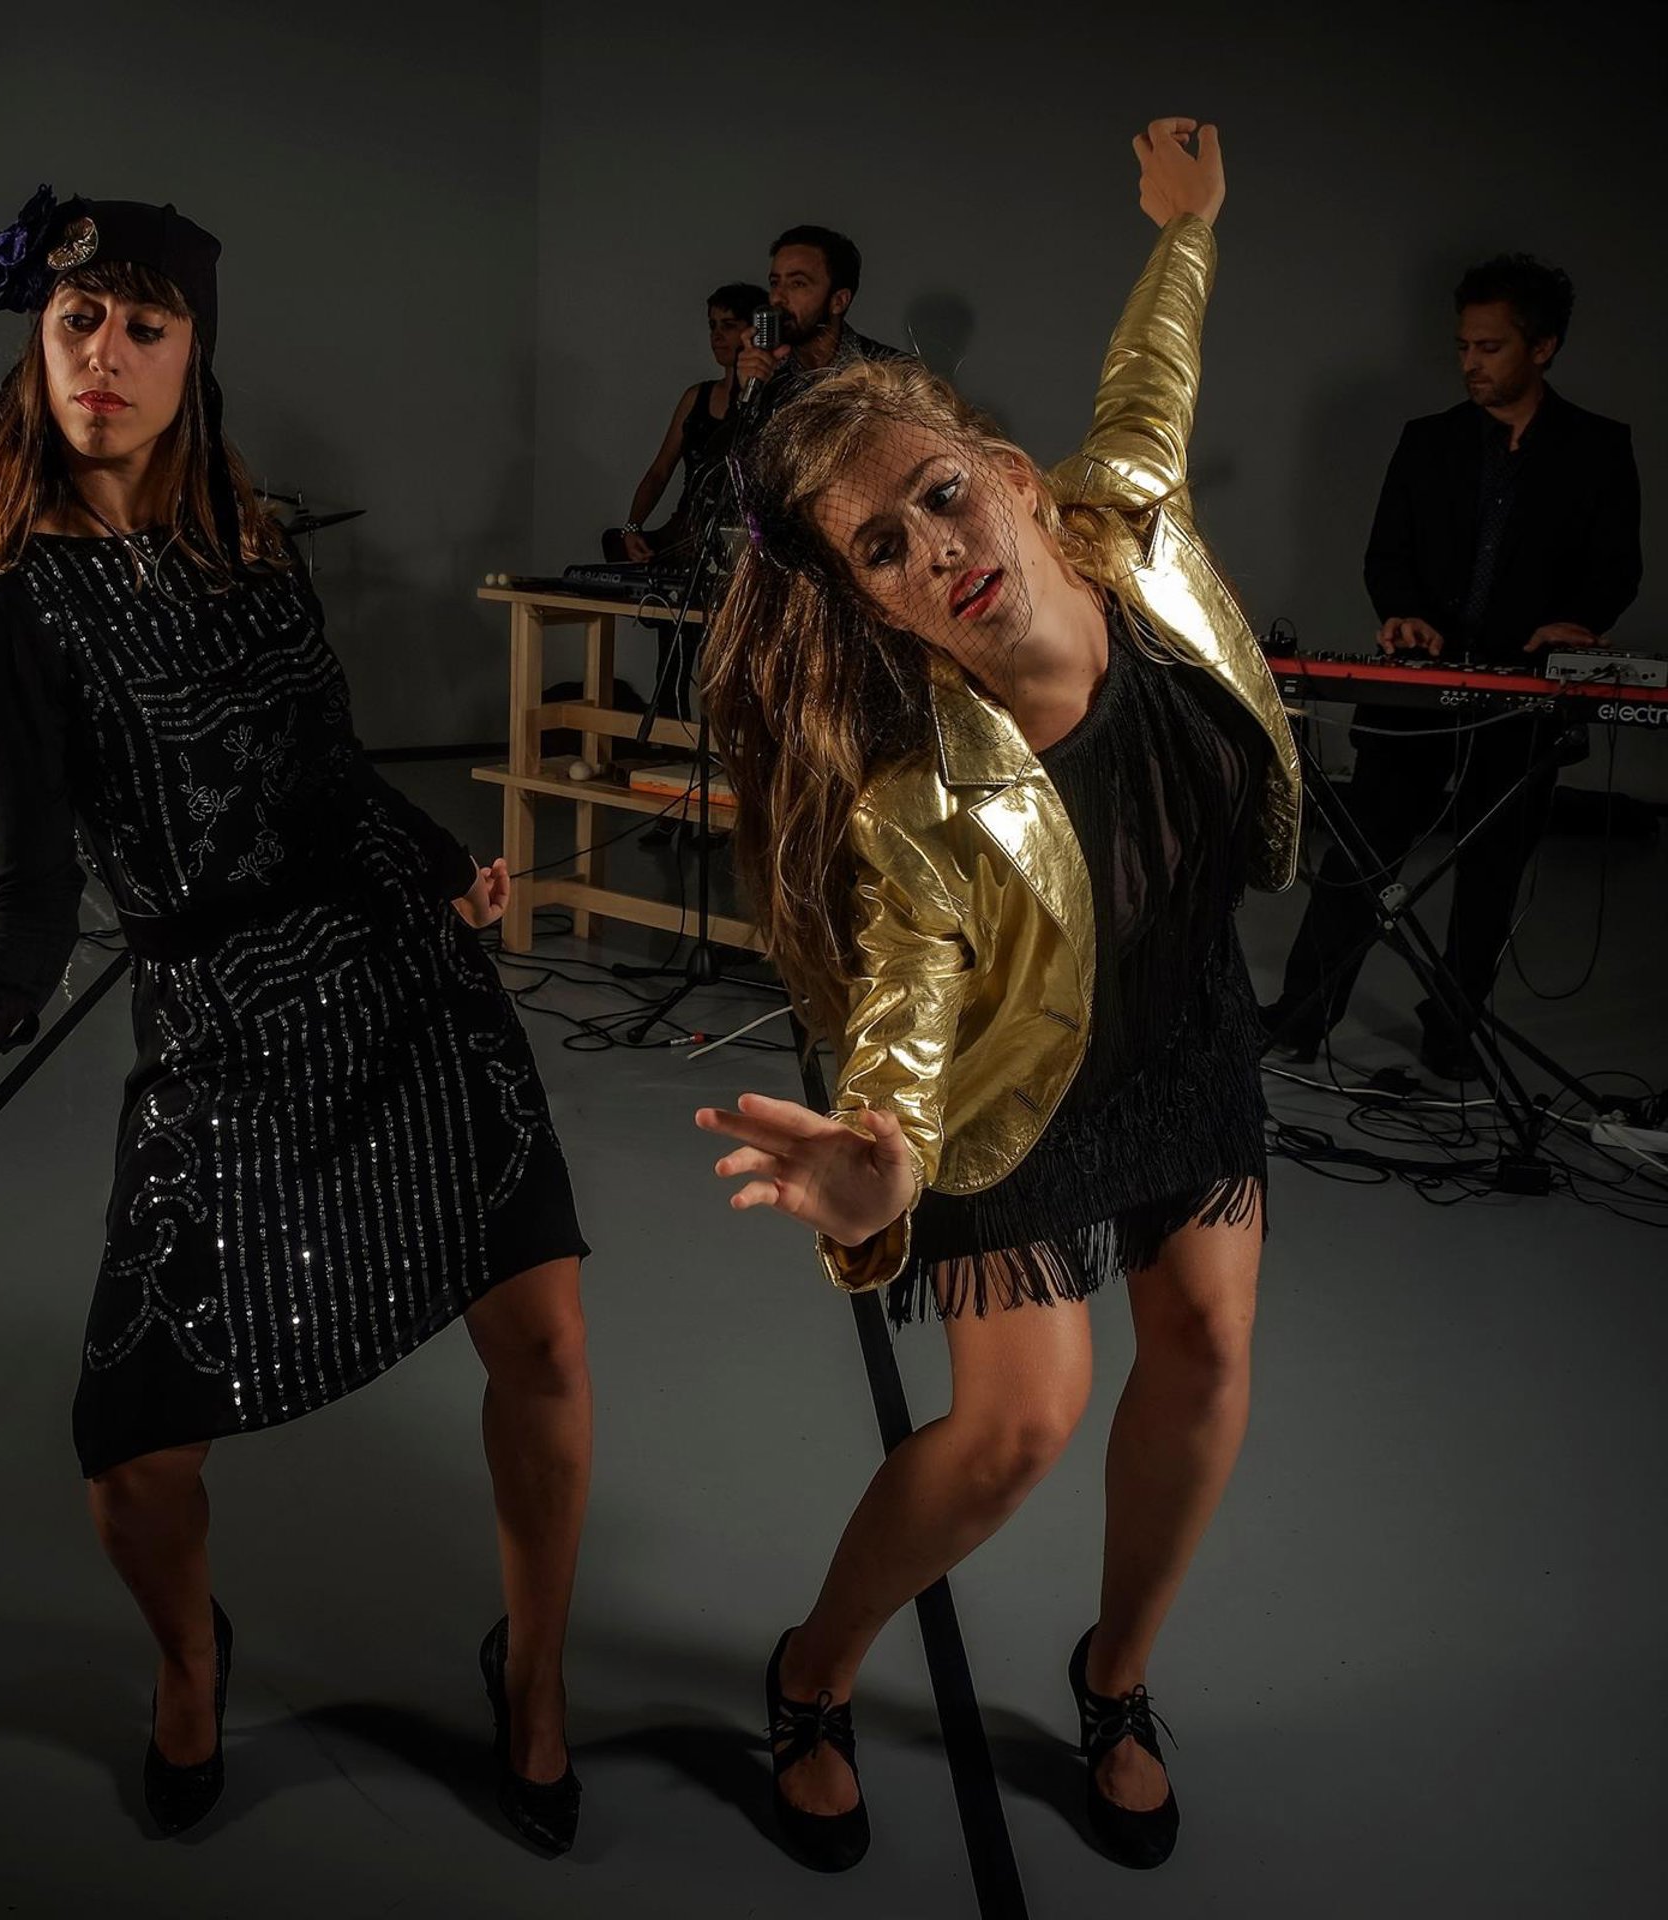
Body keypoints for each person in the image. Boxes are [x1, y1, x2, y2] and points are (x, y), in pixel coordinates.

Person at [0, 187, 592, 1854]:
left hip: (403, 982)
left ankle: (534, 1677)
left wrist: (443, 867)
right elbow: (30, 901)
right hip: (222, 1026)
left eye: (143, 326)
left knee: (543, 1338)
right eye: (76, 321)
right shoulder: (5, 605)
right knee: (133, 1457)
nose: (102, 353)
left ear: (194, 354)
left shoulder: (250, 545)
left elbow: (331, 776)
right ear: (38, 345)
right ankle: (191, 1660)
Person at [697, 121, 1300, 1875]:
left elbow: (1154, 368)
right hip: (1009, 1089)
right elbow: (903, 1002)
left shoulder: (1131, 515)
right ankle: (813, 1673)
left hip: (1182, 1026)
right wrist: (881, 1157)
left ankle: (1114, 1681)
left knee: (1208, 1349)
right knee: (1018, 1427)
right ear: (876, 608)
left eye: (944, 496)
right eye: (881, 550)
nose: (934, 549)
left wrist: (1188, 224)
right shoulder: (919, 805)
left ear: (1019, 480)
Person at [1262, 253, 1642, 1076]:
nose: (1470, 362)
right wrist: (1403, 612)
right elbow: (1387, 555)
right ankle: (1298, 1014)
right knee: (1363, 851)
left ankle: (1451, 1029)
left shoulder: (1598, 449)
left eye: (1490, 347)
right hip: (1421, 682)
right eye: (1464, 346)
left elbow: (1618, 568)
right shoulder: (1427, 441)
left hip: (1524, 690)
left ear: (1542, 347)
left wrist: (1577, 622)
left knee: (1493, 871)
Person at [605, 280, 769, 565]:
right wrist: (632, 527)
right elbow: (660, 471)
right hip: (686, 530)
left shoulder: (770, 400)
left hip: (739, 535)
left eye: (728, 326)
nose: (717, 336)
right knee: (615, 546)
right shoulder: (696, 397)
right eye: (712, 326)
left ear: (753, 332)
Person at [733, 224, 908, 423]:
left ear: (839, 301)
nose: (777, 298)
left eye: (797, 283)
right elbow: (733, 442)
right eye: (775, 283)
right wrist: (748, 393)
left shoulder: (890, 372)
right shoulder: (769, 371)